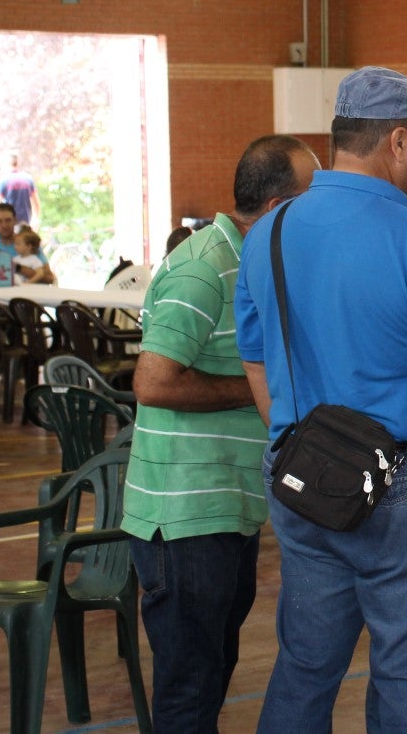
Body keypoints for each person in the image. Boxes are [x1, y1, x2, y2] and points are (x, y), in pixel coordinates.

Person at [235, 67, 407, 734]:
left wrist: (311, 441)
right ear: (397, 141)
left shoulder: (266, 235)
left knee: (304, 667)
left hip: (302, 478)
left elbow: (259, 367)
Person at [122, 134, 319, 733]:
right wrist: (259, 388)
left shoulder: (254, 259)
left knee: (213, 670)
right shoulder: (207, 266)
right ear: (280, 204)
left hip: (225, 509)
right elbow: (153, 382)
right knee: (190, 686)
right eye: (311, 200)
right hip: (185, 518)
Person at [0, 155, 41, 227]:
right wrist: (35, 221)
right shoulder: (28, 179)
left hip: (9, 224)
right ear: (18, 163)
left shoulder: (2, 181)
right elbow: (36, 204)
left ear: (7, 164)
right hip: (26, 223)